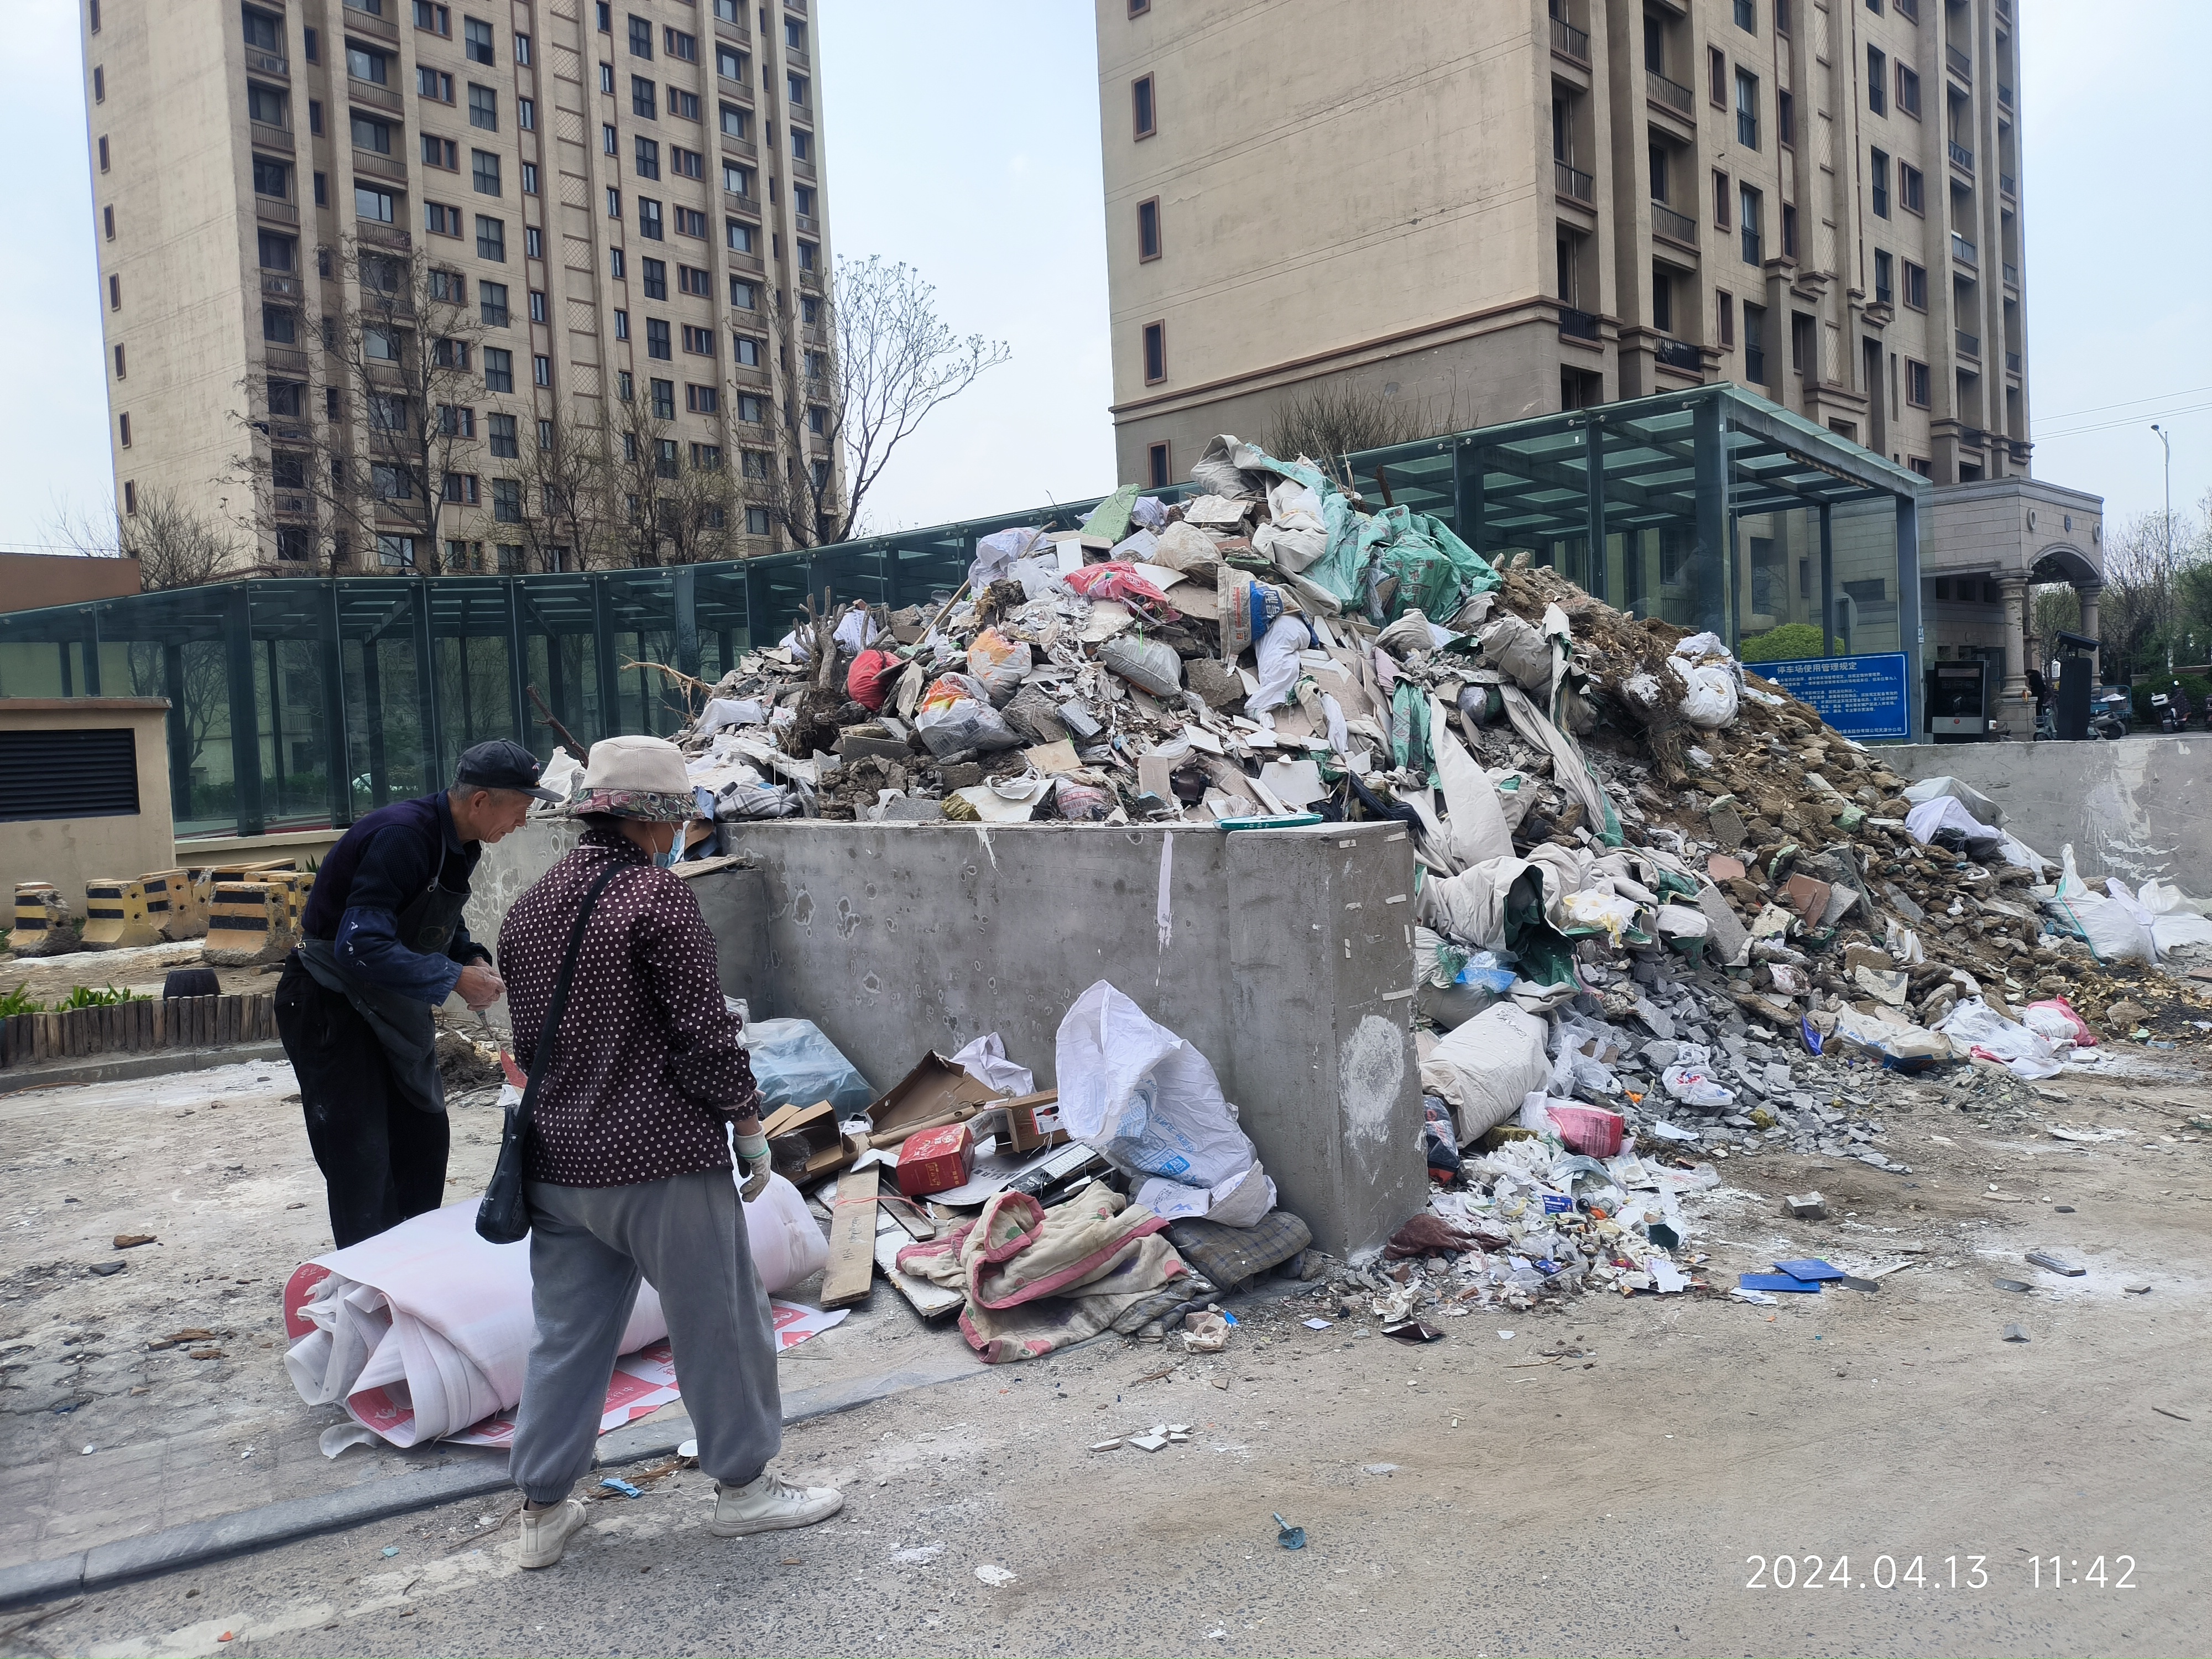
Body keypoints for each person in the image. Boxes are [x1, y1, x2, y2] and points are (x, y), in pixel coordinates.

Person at [497, 735, 842, 1570]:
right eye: (681, 816)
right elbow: (704, 1035)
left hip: (558, 1165)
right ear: (658, 819)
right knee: (719, 1324)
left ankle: (542, 1512)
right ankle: (745, 1490)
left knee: (567, 1339)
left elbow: (530, 1045)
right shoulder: (657, 900)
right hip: (658, 1159)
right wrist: (748, 1123)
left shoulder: (528, 909)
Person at [276, 740, 556, 1248]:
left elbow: (439, 923)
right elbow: (360, 942)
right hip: (330, 1000)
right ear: (481, 801)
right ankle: (370, 1287)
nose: (523, 822)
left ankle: (414, 1271)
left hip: (392, 1005)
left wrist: (471, 957)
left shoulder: (462, 843)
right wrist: (451, 978)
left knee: (423, 1139)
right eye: (522, 808)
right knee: (361, 1157)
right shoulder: (403, 837)